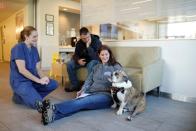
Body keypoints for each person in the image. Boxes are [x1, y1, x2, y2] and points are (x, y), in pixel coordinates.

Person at [36, 45, 122, 125]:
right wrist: (82, 90)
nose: (105, 56)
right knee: (79, 105)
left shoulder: (115, 66)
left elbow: (122, 79)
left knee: (82, 102)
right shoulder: (96, 67)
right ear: (99, 56)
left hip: (106, 95)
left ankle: (51, 108)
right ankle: (49, 117)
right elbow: (89, 80)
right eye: (102, 55)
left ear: (110, 54)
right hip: (91, 92)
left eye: (106, 54)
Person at [10, 26, 58, 109]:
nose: (36, 39)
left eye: (37, 36)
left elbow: (38, 68)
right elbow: (22, 70)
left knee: (53, 84)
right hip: (21, 82)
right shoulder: (18, 48)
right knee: (38, 103)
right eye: (34, 36)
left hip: (32, 80)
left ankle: (28, 95)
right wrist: (39, 80)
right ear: (26, 36)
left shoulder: (34, 49)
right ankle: (19, 97)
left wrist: (44, 77)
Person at [65, 27, 102, 92]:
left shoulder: (96, 41)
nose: (86, 39)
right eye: (84, 38)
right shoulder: (79, 43)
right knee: (70, 64)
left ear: (89, 34)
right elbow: (75, 55)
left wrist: (88, 46)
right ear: (80, 37)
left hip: (93, 61)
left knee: (92, 64)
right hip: (83, 61)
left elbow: (95, 56)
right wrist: (78, 60)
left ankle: (88, 87)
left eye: (88, 37)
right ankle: (75, 85)